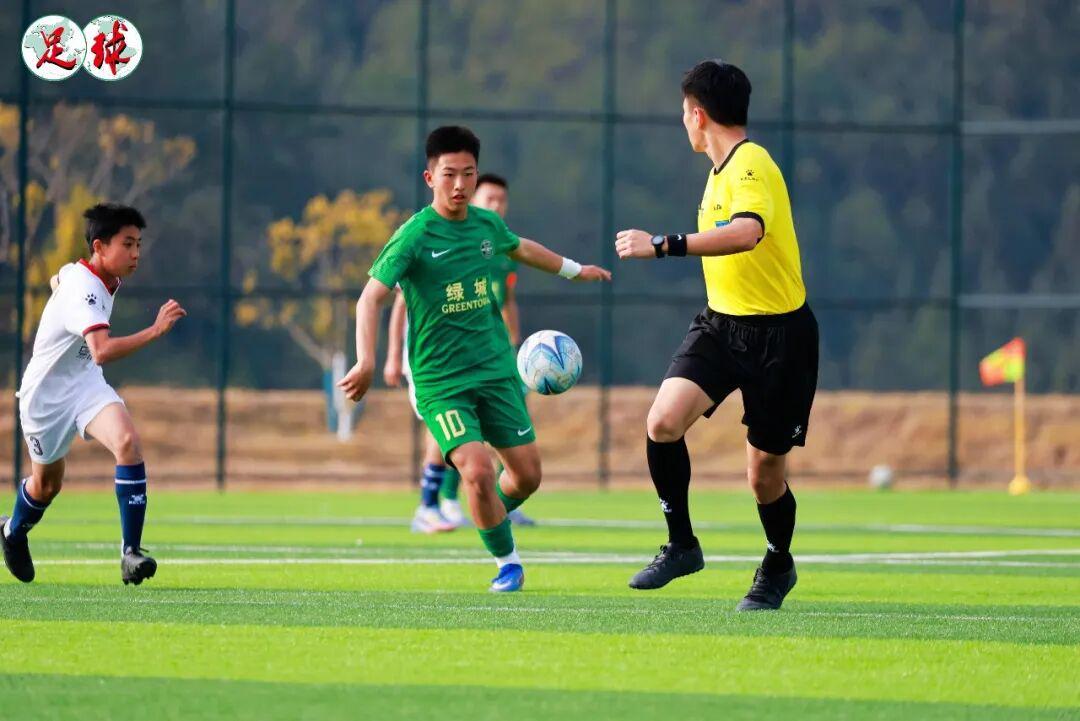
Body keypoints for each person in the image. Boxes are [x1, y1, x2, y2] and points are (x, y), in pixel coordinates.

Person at [340, 126, 610, 592]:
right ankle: (508, 563)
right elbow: (370, 298)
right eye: (449, 175)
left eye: (468, 174)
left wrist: (574, 270)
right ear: (430, 178)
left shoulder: (486, 226)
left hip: (496, 371)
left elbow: (521, 248)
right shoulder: (414, 235)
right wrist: (367, 360)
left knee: (527, 477)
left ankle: (486, 511)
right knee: (478, 469)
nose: (460, 184)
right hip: (441, 382)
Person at [615, 60, 818, 610]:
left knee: (764, 475)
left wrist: (663, 244)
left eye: (684, 112)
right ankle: (682, 545)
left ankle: (777, 563)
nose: (684, 121)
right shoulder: (718, 172)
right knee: (662, 422)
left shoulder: (751, 164)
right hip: (721, 325)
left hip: (781, 337)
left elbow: (747, 233)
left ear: (698, 114)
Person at [1, 203, 186, 585]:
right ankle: (12, 532)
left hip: (85, 383)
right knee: (46, 486)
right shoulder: (85, 287)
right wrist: (154, 331)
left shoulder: (92, 276)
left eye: (138, 244)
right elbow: (101, 350)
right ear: (99, 247)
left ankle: (130, 553)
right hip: (45, 397)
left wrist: (60, 285)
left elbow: (61, 276)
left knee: (127, 442)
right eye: (127, 244)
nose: (136, 253)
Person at [383, 173, 536, 530]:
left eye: (502, 200)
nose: (496, 206)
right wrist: (392, 355)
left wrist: (513, 347)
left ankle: (484, 499)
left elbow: (507, 302)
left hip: (484, 354)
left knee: (485, 427)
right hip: (433, 355)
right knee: (448, 427)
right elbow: (400, 303)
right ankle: (432, 504)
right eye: (489, 199)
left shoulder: (499, 249)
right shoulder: (431, 237)